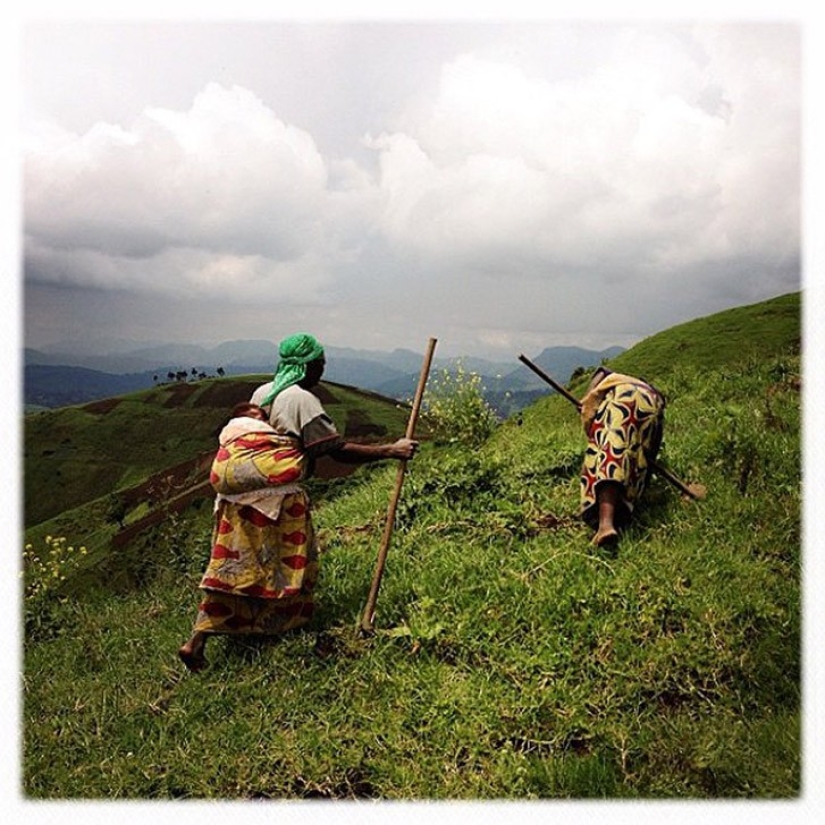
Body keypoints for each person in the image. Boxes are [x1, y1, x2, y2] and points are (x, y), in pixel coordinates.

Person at [178, 334, 418, 672]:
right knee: (286, 565)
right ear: (308, 365)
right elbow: (333, 448)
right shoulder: (301, 400)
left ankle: (198, 640)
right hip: (277, 503)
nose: (323, 368)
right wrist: (390, 451)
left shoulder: (262, 393)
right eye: (320, 362)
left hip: (236, 503)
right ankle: (281, 629)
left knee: (232, 568)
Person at [579, 366, 665, 548]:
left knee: (609, 450)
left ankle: (605, 525)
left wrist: (587, 399)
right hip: (652, 409)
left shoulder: (615, 380)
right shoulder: (652, 395)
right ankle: (621, 511)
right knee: (633, 456)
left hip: (622, 400)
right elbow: (651, 450)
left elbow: (601, 371)